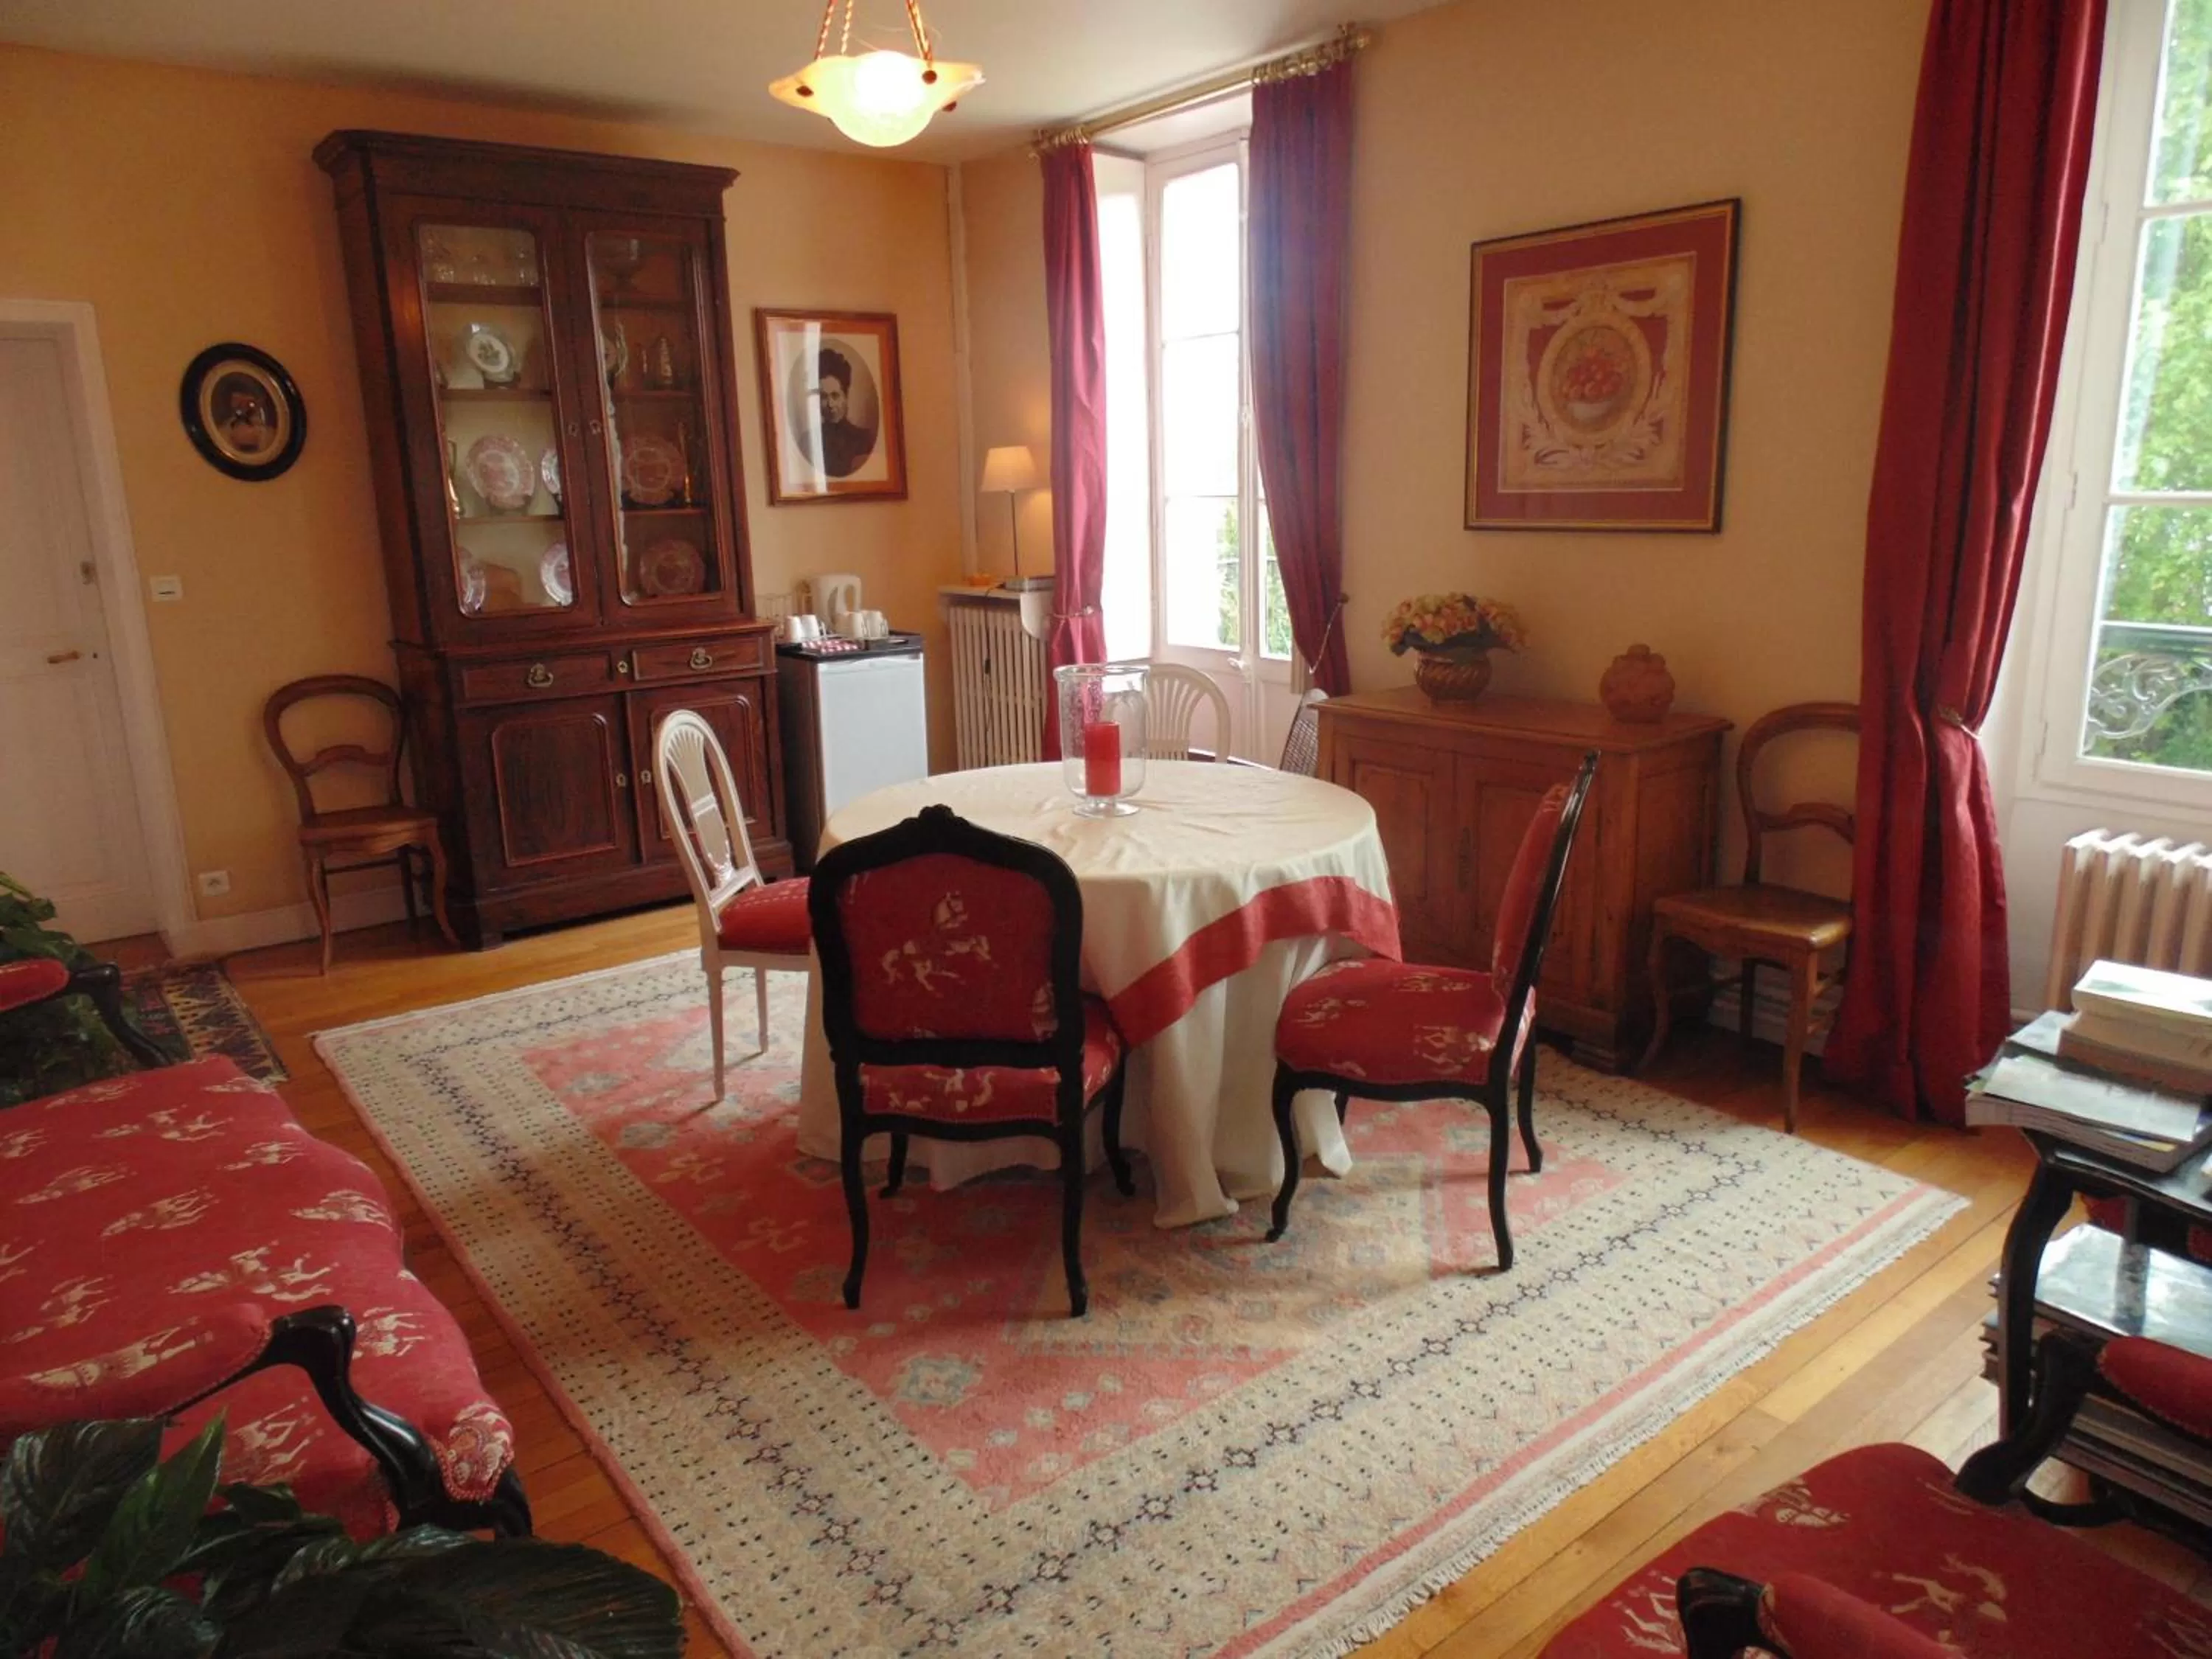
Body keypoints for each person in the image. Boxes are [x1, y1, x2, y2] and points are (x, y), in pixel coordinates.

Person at [801, 347, 876, 479]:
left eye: (835, 396)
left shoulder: (864, 440)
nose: (830, 404)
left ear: (845, 397)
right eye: (824, 397)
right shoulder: (807, 441)